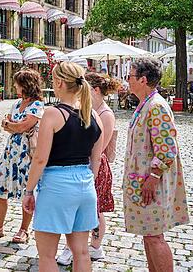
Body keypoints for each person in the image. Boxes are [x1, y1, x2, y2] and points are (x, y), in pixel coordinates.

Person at [22, 61, 103, 272]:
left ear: (58, 82)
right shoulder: (93, 115)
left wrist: (29, 190)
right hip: (85, 186)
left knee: (47, 256)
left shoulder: (53, 114)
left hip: (57, 186)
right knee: (82, 252)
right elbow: (96, 159)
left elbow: (40, 158)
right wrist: (88, 181)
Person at [124, 58, 189, 272]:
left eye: (130, 76)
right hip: (143, 181)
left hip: (151, 184)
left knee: (154, 237)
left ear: (143, 80)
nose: (127, 80)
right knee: (148, 234)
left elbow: (166, 149)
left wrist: (153, 178)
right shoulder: (146, 104)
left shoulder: (156, 106)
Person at [57, 73, 120, 265]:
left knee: (95, 209)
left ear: (96, 91)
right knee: (80, 209)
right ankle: (76, 247)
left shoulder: (105, 114)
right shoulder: (89, 108)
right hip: (83, 162)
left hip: (96, 165)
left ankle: (94, 246)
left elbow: (100, 146)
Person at [0, 69, 44, 243]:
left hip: (26, 154)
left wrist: (13, 125)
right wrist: (13, 125)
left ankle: (24, 230)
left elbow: (23, 126)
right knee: (0, 187)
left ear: (25, 85)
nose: (14, 85)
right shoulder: (16, 104)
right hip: (10, 152)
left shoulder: (37, 105)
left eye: (17, 83)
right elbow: (7, 122)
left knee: (26, 191)